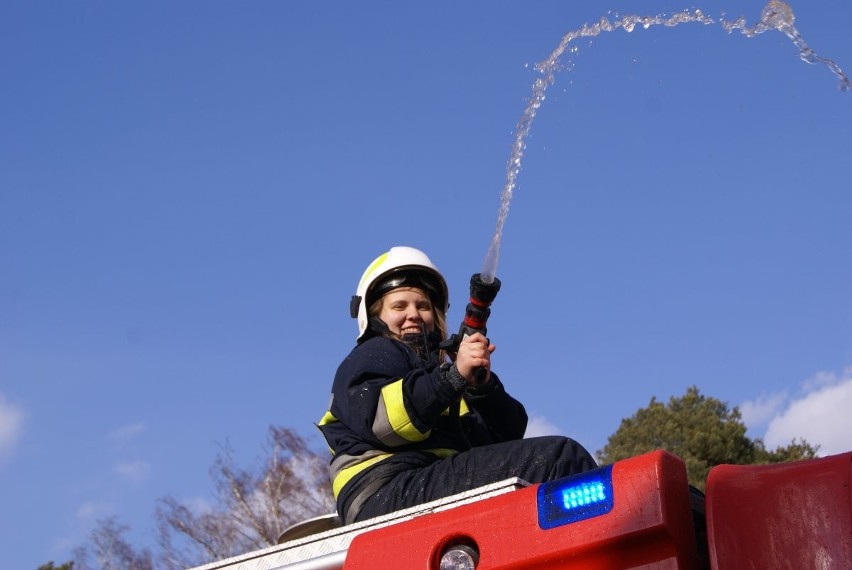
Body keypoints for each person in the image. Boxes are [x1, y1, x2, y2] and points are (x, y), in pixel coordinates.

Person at [317, 246, 597, 525]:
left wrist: (480, 387)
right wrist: (452, 378)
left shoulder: (437, 381)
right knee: (559, 460)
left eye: (423, 306)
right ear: (373, 317)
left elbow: (505, 440)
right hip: (385, 489)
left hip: (420, 482)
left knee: (538, 473)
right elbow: (384, 421)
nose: (413, 314)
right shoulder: (376, 352)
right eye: (399, 306)